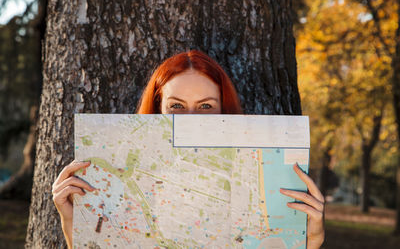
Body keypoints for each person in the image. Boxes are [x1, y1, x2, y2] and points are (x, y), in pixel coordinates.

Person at [52, 50, 325, 249]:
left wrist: (311, 239)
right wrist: (73, 221)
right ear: (157, 109)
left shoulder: (249, 183)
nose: (192, 118)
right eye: (177, 107)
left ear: (224, 109)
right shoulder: (128, 184)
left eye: (206, 106)